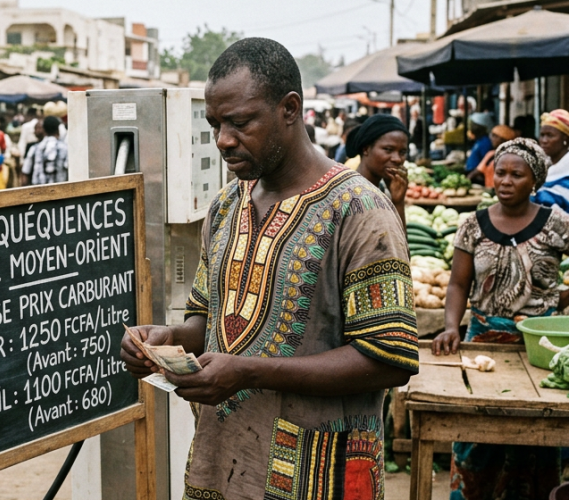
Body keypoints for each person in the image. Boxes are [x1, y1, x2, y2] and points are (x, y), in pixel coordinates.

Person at [120, 38, 418, 499]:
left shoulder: (360, 211)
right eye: (215, 124)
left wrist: (250, 371)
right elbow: (211, 323)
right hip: (221, 468)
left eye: (239, 122)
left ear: (290, 109)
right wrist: (166, 340)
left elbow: (389, 359)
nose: (223, 139)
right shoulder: (225, 207)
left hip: (319, 474)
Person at [432, 138, 565, 499]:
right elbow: (458, 284)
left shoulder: (557, 224)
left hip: (539, 348)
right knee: (478, 436)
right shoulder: (472, 225)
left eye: (516, 174)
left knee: (537, 440)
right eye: (500, 173)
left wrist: (559, 299)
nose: (505, 181)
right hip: (483, 345)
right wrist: (450, 326)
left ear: (534, 180)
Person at [346, 114, 410, 226]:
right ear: (366, 149)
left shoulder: (382, 191)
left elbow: (397, 242)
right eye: (388, 149)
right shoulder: (352, 197)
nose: (398, 159)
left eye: (402, 152)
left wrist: (398, 202)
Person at [532, 109, 569, 212]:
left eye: (550, 135)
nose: (544, 140)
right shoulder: (544, 165)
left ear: (565, 138)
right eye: (542, 135)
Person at [25, 116, 67, 185]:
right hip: (61, 191)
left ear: (44, 130)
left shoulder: (34, 148)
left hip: (38, 192)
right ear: (58, 130)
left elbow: (25, 173)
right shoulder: (65, 148)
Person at [19, 119, 44, 187]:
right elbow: (26, 169)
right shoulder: (31, 147)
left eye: (40, 128)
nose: (38, 130)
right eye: (36, 128)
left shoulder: (50, 146)